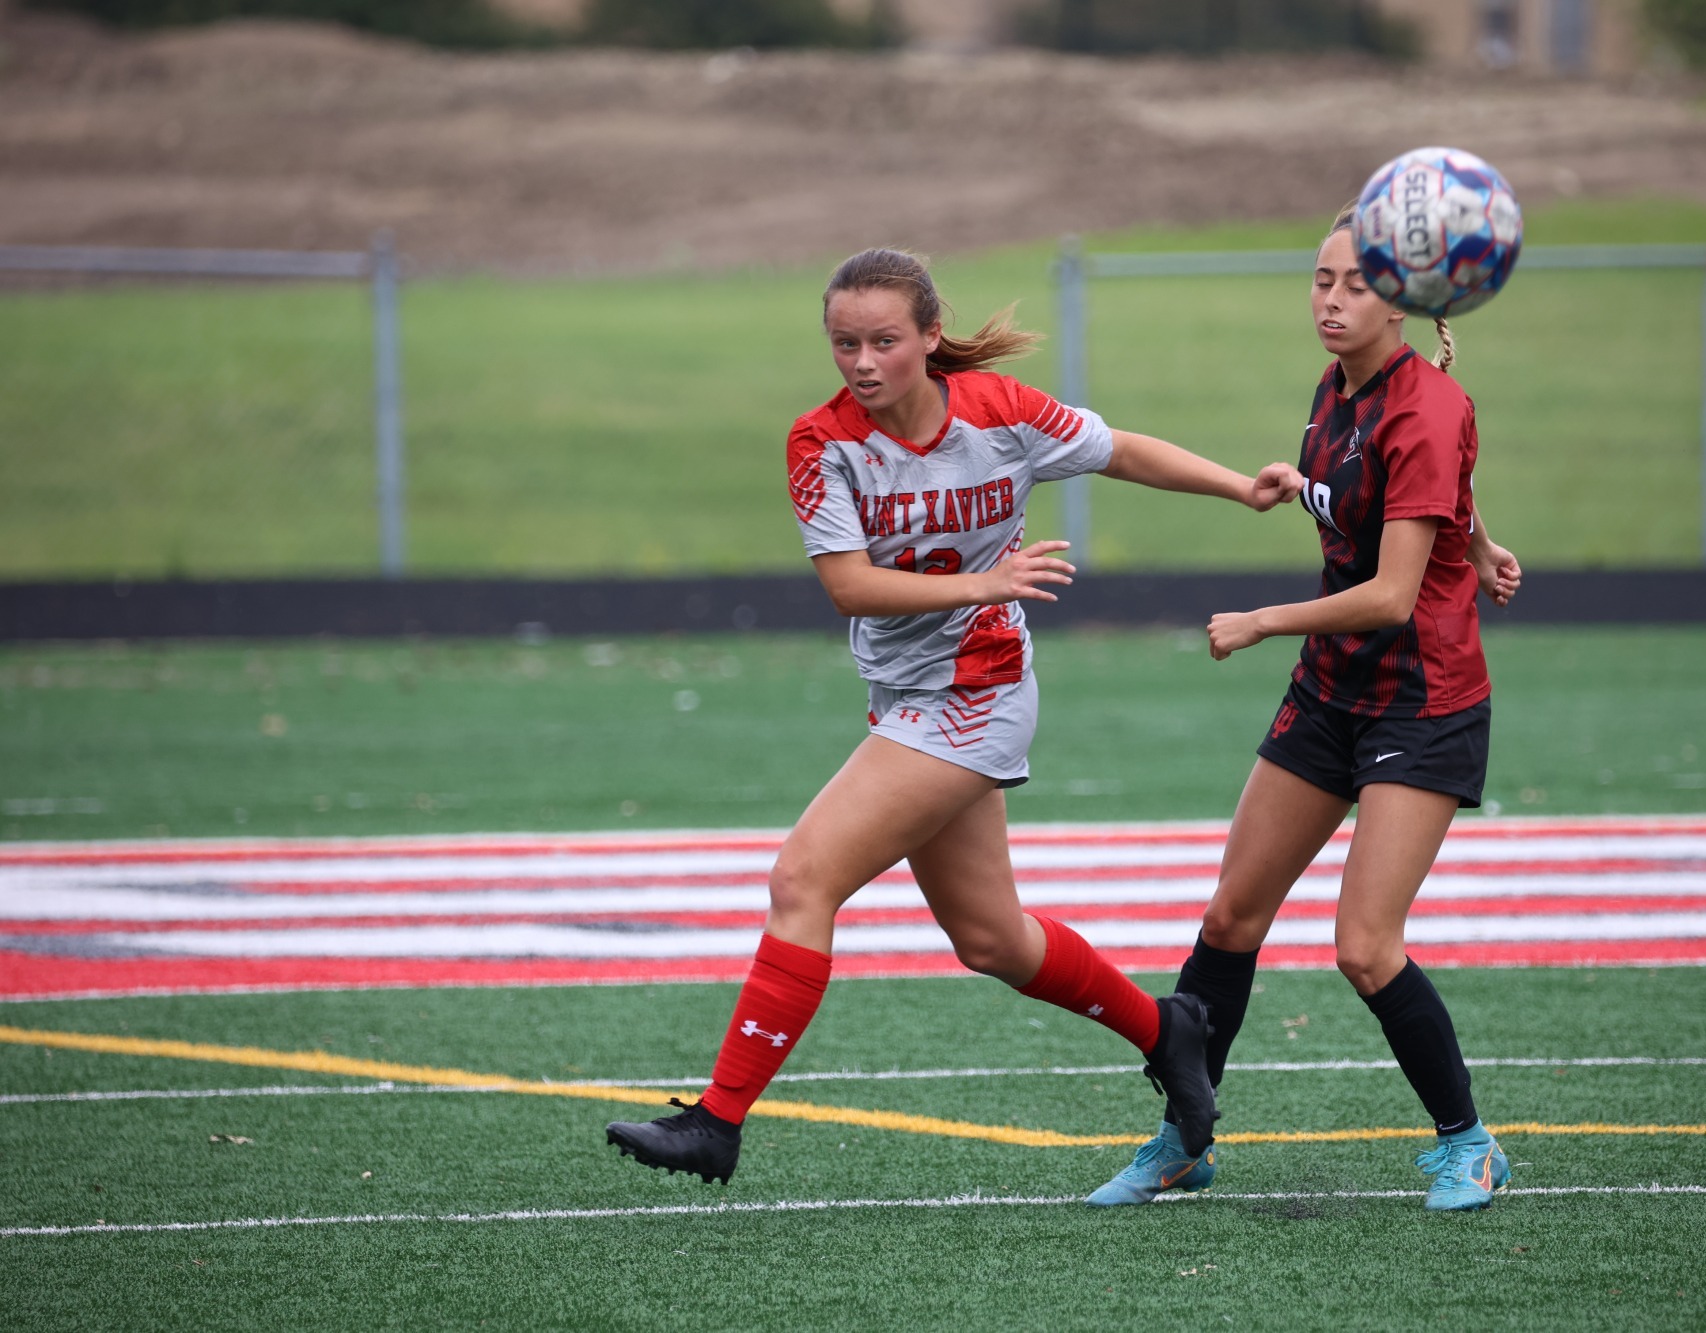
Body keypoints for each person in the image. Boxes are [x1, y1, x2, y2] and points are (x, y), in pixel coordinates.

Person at [607, 247, 1305, 1186]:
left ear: (931, 339)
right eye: (844, 341)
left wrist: (1239, 485)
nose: (862, 361)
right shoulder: (821, 442)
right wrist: (990, 577)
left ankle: (719, 1121)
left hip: (977, 696)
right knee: (991, 939)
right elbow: (851, 587)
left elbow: (1119, 449)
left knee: (802, 879)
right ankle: (1167, 1028)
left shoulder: (1002, 412)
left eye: (884, 340)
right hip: (906, 699)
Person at [1087, 205, 1523, 1212]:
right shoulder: (1337, 388)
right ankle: (1183, 1137)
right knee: (1229, 914)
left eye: (1353, 285)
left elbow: (1391, 593)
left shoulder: (1422, 406)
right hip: (1332, 691)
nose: (1329, 301)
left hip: (1421, 702)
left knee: (1363, 945)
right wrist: (1475, 536)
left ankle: (1469, 1141)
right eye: (1320, 281)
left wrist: (1258, 619)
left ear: (1403, 300)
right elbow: (1410, 490)